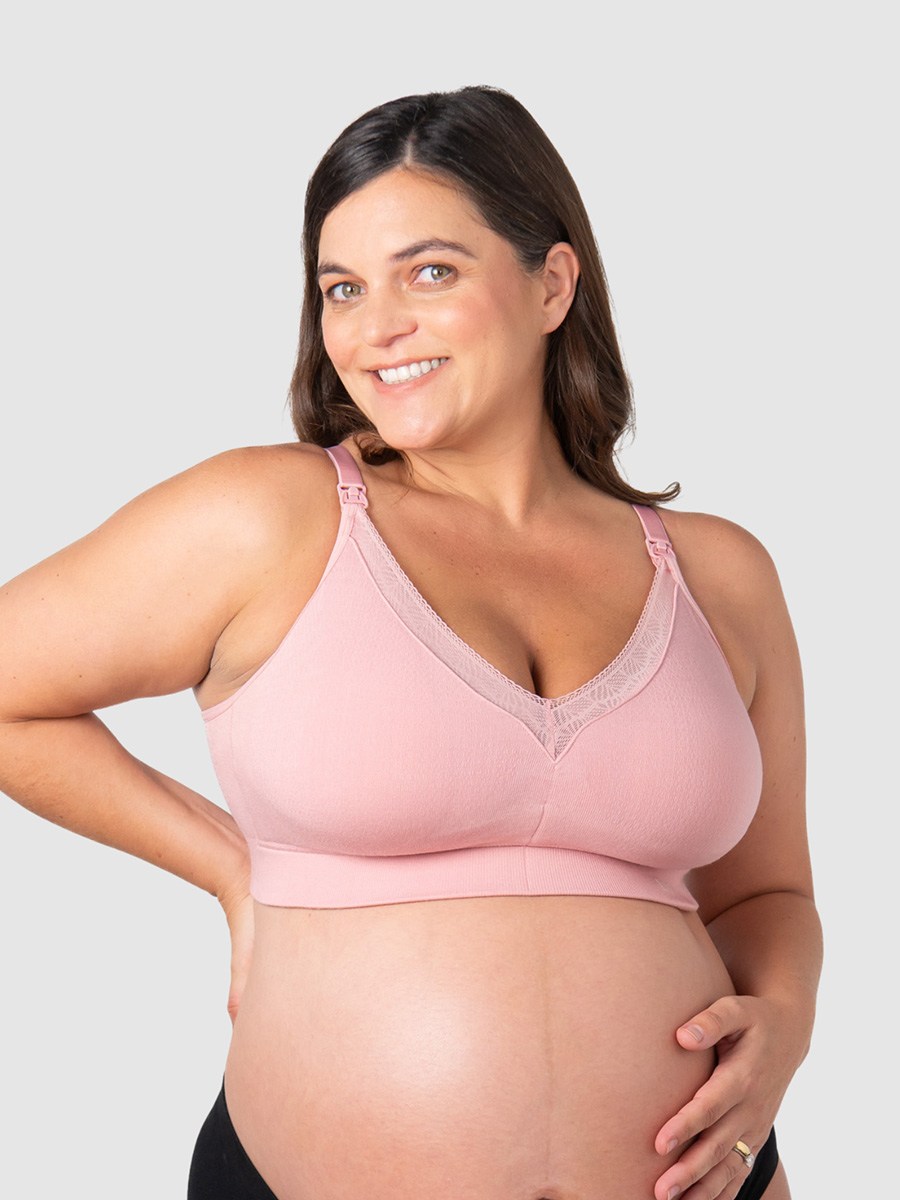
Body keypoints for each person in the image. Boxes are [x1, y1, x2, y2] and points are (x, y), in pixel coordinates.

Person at [0, 86, 821, 1200]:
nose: (374, 327)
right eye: (342, 288)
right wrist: (232, 870)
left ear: (552, 284)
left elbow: (768, 897)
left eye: (429, 272)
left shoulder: (720, 574)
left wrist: (786, 1025)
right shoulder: (271, 518)